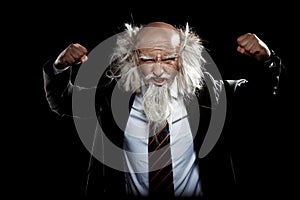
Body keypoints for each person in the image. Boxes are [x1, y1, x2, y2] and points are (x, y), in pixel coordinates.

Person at [43, 21, 284, 199]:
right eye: (148, 59)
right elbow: (63, 101)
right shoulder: (108, 96)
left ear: (182, 58)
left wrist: (267, 60)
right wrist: (59, 68)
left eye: (168, 58)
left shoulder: (213, 93)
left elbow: (261, 96)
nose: (158, 71)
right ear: (133, 59)